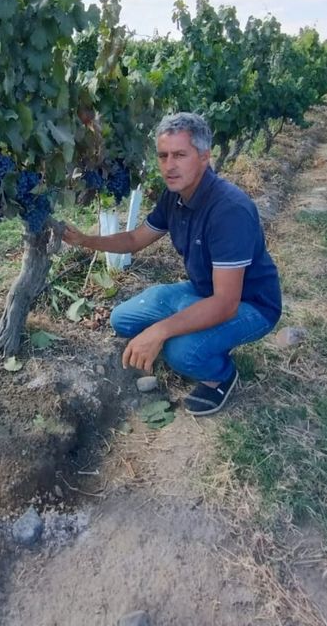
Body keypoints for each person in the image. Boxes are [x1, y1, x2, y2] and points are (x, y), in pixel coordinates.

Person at [63, 112, 282, 416]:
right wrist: (86, 240)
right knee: (122, 319)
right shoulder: (175, 196)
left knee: (180, 352)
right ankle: (201, 332)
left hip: (250, 306)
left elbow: (226, 304)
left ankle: (220, 375)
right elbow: (134, 240)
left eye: (180, 155)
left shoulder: (229, 211)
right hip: (203, 292)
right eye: (163, 156)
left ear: (204, 157)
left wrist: (160, 331)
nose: (169, 165)